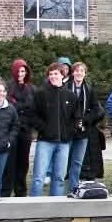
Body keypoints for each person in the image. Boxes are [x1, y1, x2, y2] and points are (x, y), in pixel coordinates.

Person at [30, 63, 79, 196]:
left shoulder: (70, 96)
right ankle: (33, 208)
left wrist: (69, 132)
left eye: (56, 74)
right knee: (38, 177)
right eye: (50, 74)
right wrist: (44, 129)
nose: (53, 76)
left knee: (59, 178)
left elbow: (76, 118)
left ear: (63, 76)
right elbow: (33, 115)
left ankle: (55, 209)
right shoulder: (41, 93)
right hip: (45, 141)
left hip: (63, 143)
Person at [65, 62, 102, 192]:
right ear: (72, 73)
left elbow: (96, 110)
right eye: (76, 70)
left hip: (83, 131)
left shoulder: (89, 90)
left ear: (85, 73)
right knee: (65, 161)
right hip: (68, 130)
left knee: (77, 162)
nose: (79, 73)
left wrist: (85, 120)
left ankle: (74, 188)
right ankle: (62, 188)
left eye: (82, 71)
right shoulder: (66, 88)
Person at [2, 59, 35, 197]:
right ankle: (6, 191)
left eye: (23, 71)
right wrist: (21, 109)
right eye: (19, 71)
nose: (21, 74)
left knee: (23, 162)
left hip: (26, 130)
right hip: (11, 130)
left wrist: (19, 108)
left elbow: (33, 109)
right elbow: (9, 108)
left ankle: (21, 191)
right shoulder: (8, 87)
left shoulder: (31, 89)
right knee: (10, 162)